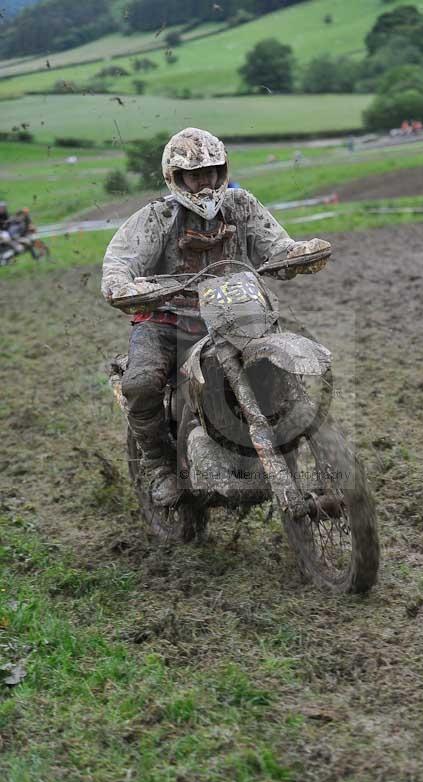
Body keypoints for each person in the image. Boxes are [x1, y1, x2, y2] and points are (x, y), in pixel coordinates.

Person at [102, 127, 329, 507]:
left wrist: (299, 254)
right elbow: (120, 262)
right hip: (168, 320)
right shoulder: (156, 218)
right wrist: (121, 284)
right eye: (195, 174)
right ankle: (159, 466)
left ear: (222, 170)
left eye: (211, 171)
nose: (204, 181)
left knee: (281, 374)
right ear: (176, 177)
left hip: (239, 318)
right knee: (141, 383)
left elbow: (277, 247)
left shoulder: (242, 206)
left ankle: (304, 449)